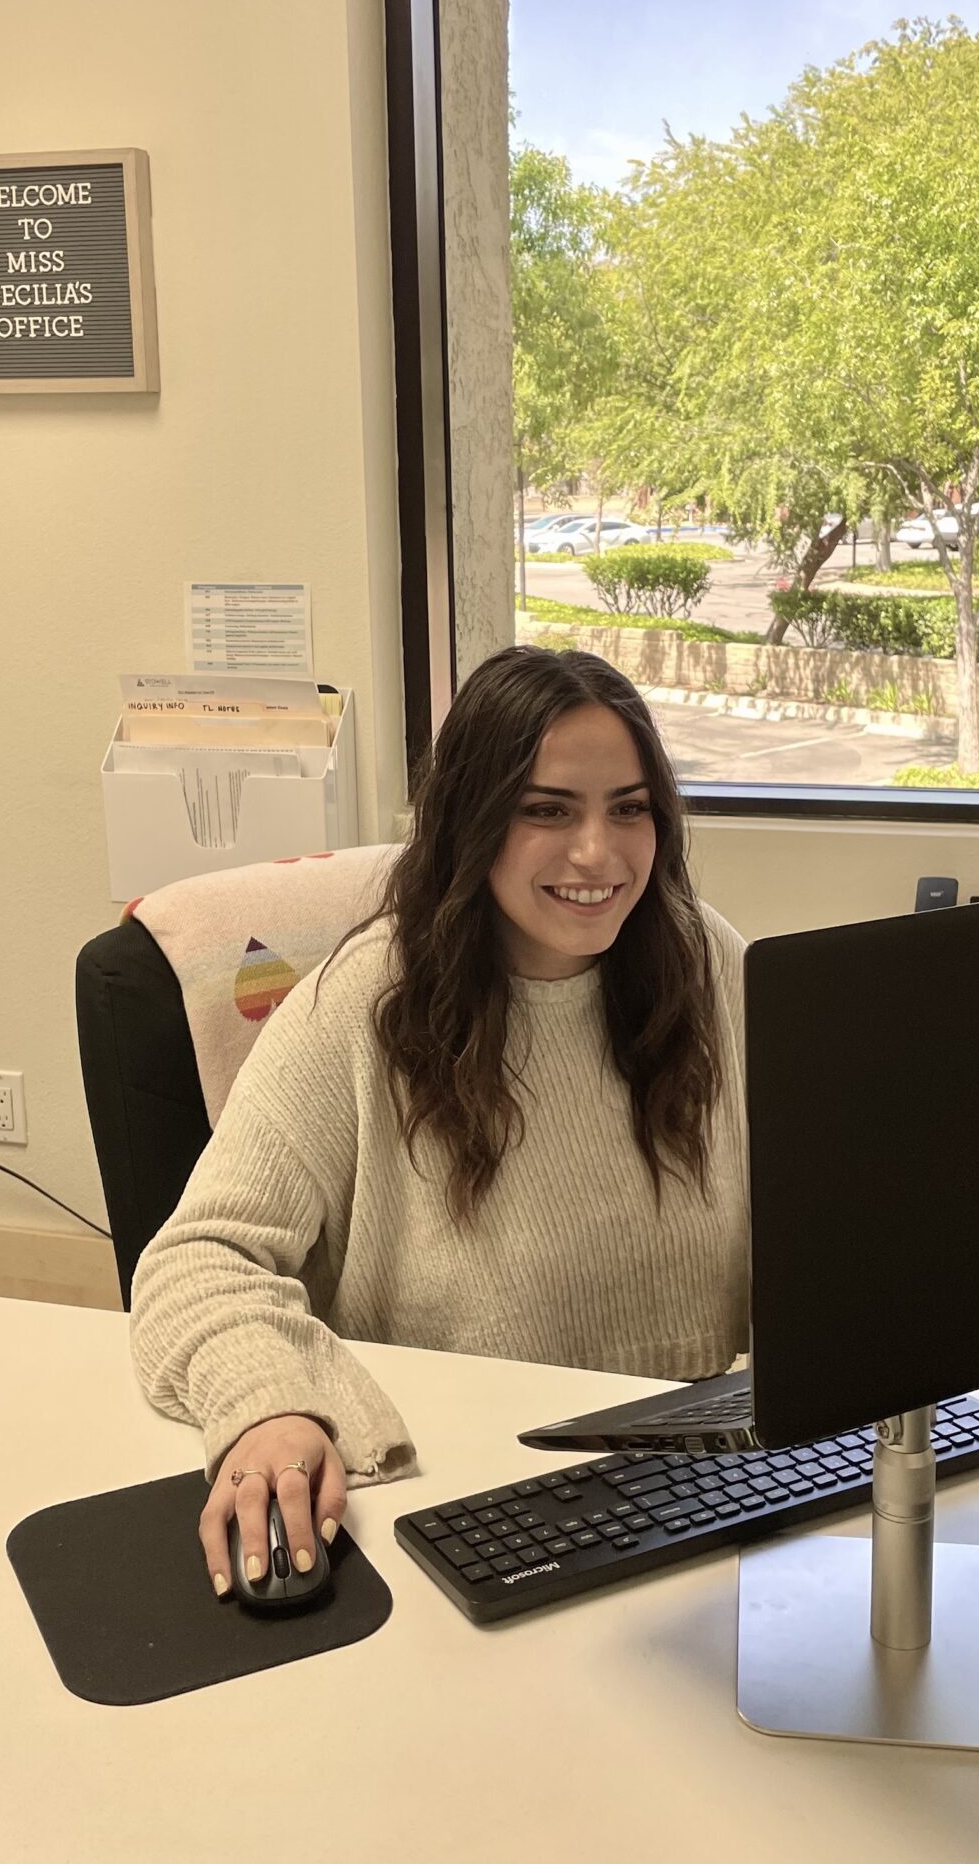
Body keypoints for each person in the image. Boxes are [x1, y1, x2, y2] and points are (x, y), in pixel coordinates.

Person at [128, 645, 749, 1598]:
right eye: (547, 809)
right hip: (470, 1513)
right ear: (471, 819)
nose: (599, 852)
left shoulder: (706, 964)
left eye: (630, 808)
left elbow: (824, 1210)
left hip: (706, 1498)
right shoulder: (367, 1001)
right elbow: (196, 1261)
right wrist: (268, 1409)